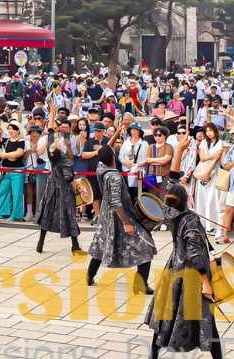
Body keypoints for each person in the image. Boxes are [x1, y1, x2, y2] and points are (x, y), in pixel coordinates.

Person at [142, 180, 234, 359]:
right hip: (192, 278)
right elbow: (195, 254)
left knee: (164, 319)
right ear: (186, 201)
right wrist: (206, 283)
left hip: (173, 271)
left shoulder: (171, 214)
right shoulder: (190, 221)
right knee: (208, 325)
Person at [86, 145, 156, 293]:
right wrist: (126, 222)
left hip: (105, 216)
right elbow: (116, 202)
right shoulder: (115, 177)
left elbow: (102, 156)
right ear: (113, 158)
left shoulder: (101, 170)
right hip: (118, 217)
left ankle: (89, 276)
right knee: (146, 246)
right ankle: (141, 284)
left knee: (101, 245)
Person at [35, 125, 83, 255]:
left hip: (59, 185)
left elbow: (67, 155)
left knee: (54, 214)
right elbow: (51, 149)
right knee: (63, 214)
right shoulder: (56, 154)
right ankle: (74, 245)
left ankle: (73, 245)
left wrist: (52, 133)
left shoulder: (60, 151)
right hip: (60, 187)